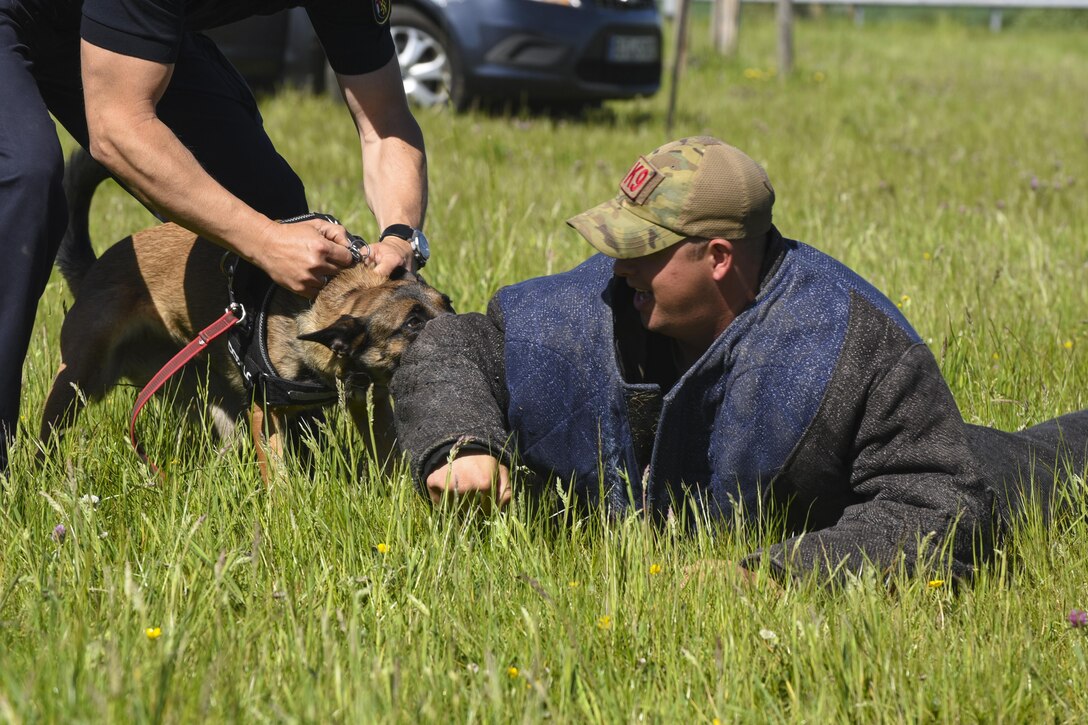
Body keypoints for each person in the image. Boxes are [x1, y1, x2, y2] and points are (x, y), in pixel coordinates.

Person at [392, 136, 1088, 584]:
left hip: (900, 475)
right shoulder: (594, 300)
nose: (618, 266)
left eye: (642, 250)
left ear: (718, 258)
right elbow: (456, 343)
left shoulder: (856, 347)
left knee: (1048, 464)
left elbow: (939, 501)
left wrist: (771, 575)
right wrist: (459, 443)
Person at [0, 0, 430, 471]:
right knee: (24, 178)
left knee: (269, 198)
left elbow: (386, 122)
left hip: (112, 24)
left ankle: (291, 440)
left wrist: (399, 236)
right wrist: (264, 242)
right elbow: (118, 130)